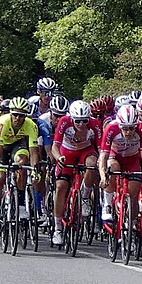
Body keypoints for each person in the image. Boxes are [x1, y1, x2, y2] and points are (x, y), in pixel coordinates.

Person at [50, 99, 101, 246]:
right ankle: (58, 228)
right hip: (67, 152)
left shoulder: (95, 124)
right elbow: (55, 146)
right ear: (72, 118)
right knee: (60, 187)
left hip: (86, 151)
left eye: (84, 121)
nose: (81, 125)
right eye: (77, 121)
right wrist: (59, 158)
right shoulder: (64, 122)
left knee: (92, 164)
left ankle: (84, 197)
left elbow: (101, 149)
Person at [0, 97, 40, 237]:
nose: (17, 118)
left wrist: (35, 170)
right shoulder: (2, 123)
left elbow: (34, 151)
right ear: (10, 113)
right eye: (15, 114)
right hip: (3, 147)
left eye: (21, 115)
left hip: (19, 145)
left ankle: (21, 204)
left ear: (25, 116)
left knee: (22, 165)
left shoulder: (30, 125)